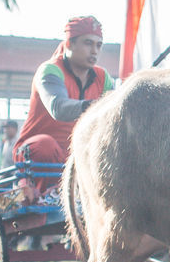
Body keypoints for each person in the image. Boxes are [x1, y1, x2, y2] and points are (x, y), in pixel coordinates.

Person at [15, 16, 115, 196]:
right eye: (88, 43)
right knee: (45, 145)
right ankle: (46, 195)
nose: (94, 51)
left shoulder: (103, 77)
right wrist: (97, 106)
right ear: (69, 43)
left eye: (98, 45)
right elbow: (58, 108)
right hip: (37, 155)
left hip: (75, 156)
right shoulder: (50, 70)